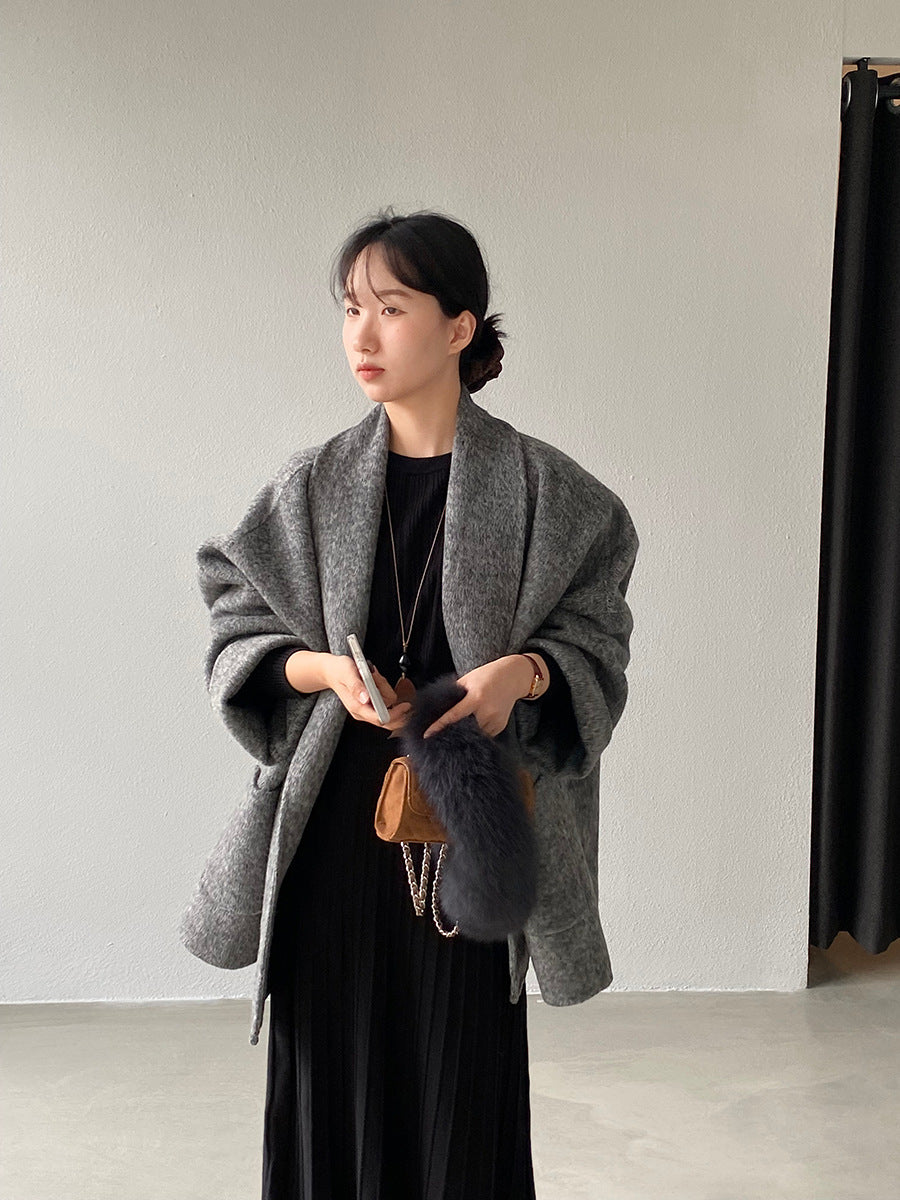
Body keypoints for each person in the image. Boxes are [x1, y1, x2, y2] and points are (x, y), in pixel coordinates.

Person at [190, 206, 638, 1200]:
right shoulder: (312, 486)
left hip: (471, 830)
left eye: (391, 308)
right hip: (331, 835)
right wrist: (321, 673)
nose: (363, 334)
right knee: (326, 1094)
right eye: (351, 308)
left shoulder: (550, 493)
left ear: (459, 326)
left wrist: (523, 675)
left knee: (460, 1098)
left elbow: (598, 643)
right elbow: (234, 620)